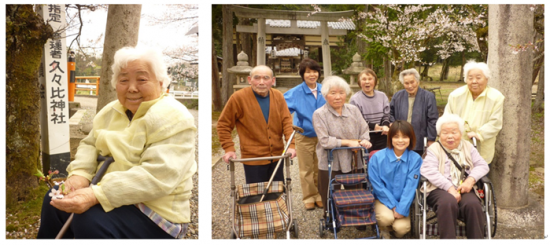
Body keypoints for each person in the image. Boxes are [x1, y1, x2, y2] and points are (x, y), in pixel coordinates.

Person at [37, 47, 197, 239]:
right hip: (109, 193)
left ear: (161, 83)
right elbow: (90, 144)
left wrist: (96, 194)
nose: (131, 88)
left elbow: (158, 175)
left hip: (154, 209)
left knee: (88, 220)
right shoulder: (110, 111)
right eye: (123, 80)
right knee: (54, 199)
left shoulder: (174, 116)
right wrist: (80, 175)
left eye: (142, 79)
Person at [217, 65, 296, 184]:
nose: (261, 82)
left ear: (273, 81)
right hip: (253, 158)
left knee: (277, 194)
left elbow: (287, 122)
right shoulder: (238, 97)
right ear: (249, 80)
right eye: (257, 78)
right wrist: (229, 149)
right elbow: (223, 124)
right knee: (256, 196)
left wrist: (291, 145)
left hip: (277, 157)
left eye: (266, 78)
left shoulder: (278, 96)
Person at [420, 113, 489, 239]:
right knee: (448, 202)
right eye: (445, 132)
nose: (450, 136)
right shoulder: (434, 149)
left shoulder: (468, 147)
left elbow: (483, 165)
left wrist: (470, 180)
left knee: (473, 205)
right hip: (439, 189)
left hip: (464, 187)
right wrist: (449, 188)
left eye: (454, 132)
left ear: (461, 134)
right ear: (439, 134)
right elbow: (428, 170)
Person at [312, 76, 372, 216]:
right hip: (330, 161)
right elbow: (325, 141)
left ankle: (357, 217)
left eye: (341, 93)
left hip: (354, 159)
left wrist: (364, 141)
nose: (338, 97)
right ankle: (332, 218)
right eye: (333, 93)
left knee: (356, 190)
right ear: (325, 95)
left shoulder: (353, 110)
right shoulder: (320, 114)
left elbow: (364, 130)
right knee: (328, 190)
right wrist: (348, 142)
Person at [368, 120, 422, 239]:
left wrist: (401, 209)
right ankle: (384, 229)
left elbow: (411, 187)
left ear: (411, 138)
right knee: (386, 218)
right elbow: (377, 186)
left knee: (402, 229)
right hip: (382, 200)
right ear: (390, 138)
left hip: (404, 202)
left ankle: (394, 232)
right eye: (396, 137)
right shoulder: (377, 158)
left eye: (405, 137)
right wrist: (393, 206)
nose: (400, 140)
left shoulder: (415, 159)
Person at [284, 58, 326, 210]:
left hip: (323, 137)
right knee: (306, 168)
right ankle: (309, 196)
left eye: (314, 71)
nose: (312, 75)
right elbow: (282, 111)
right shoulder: (295, 92)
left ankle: (320, 194)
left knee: (320, 167)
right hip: (304, 136)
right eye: (308, 72)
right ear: (302, 74)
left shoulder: (325, 89)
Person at [444, 60, 504, 164]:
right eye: (470, 78)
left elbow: (495, 123)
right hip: (457, 146)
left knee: (478, 177)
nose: (474, 81)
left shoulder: (496, 97)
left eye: (478, 77)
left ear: (487, 78)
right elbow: (447, 118)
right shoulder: (455, 95)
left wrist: (479, 134)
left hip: (481, 149)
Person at [390, 68, 438, 156]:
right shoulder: (397, 96)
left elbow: (433, 119)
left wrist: (431, 139)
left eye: (412, 82)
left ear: (418, 82)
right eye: (406, 83)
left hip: (420, 139)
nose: (410, 86)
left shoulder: (428, 97)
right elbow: (390, 113)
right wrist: (392, 124)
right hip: (400, 139)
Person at [349, 68, 391, 151]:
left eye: (370, 79)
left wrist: (385, 125)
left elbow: (386, 114)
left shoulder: (382, 96)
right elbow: (356, 119)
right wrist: (373, 126)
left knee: (382, 159)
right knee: (367, 160)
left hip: (382, 135)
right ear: (360, 83)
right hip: (365, 136)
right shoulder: (355, 99)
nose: (367, 82)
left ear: (375, 82)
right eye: (364, 79)